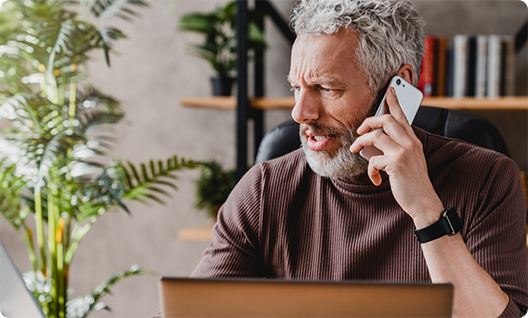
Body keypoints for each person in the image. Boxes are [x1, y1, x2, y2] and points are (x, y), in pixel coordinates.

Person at [191, 0, 528, 317]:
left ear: (397, 87)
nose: (300, 113)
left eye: (326, 88)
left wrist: (426, 210)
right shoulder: (264, 189)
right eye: (297, 88)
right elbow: (192, 310)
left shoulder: (487, 179)